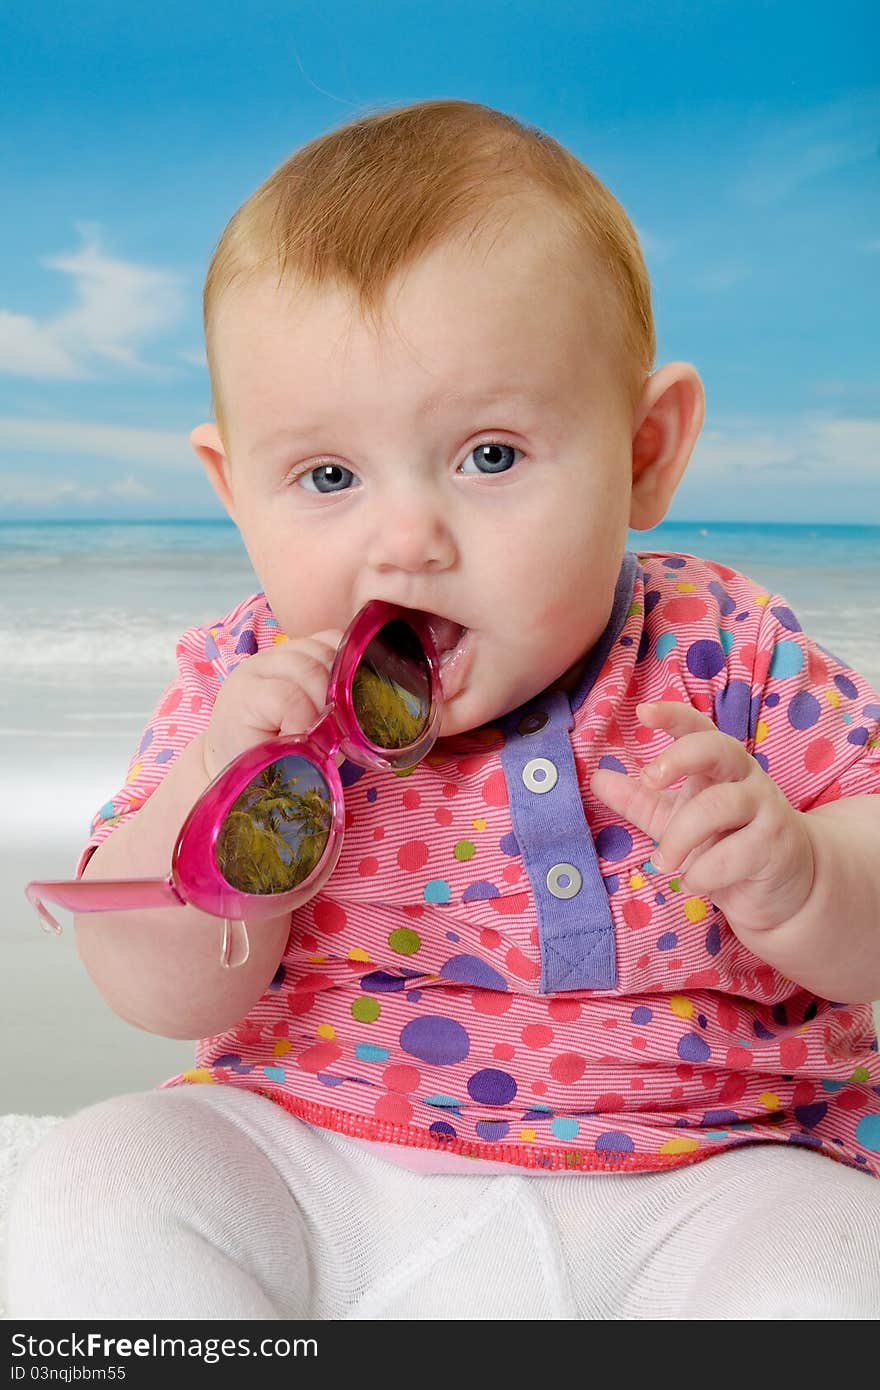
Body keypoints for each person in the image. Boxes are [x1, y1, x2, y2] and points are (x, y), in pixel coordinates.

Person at [8, 98, 880, 1321]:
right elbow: (166, 994)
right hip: (320, 1155)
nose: (405, 540)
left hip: (709, 1167)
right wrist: (219, 784)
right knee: (102, 1171)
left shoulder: (727, 655)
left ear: (644, 450)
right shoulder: (242, 686)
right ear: (234, 488)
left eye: (489, 456)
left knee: (841, 1263)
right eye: (326, 476)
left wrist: (805, 877)